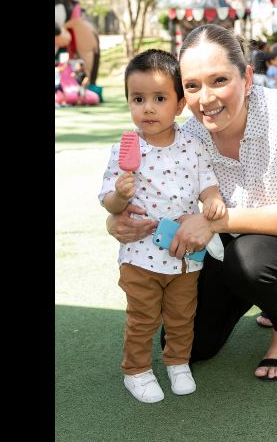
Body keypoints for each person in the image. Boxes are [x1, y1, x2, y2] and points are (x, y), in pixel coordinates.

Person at [106, 24, 277, 382]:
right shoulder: (187, 135)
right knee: (191, 347)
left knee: (250, 261)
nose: (205, 98)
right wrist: (115, 223)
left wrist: (212, 223)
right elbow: (151, 196)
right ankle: (264, 293)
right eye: (192, 86)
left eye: (219, 80)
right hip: (234, 242)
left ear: (248, 78)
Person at [98, 49, 227, 403]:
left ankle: (177, 363)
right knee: (142, 317)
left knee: (183, 316)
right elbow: (108, 200)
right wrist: (119, 198)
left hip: (184, 253)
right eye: (138, 99)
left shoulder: (193, 145)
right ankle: (136, 371)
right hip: (139, 255)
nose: (148, 108)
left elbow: (206, 182)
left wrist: (213, 198)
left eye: (159, 98)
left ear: (180, 105)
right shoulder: (125, 148)